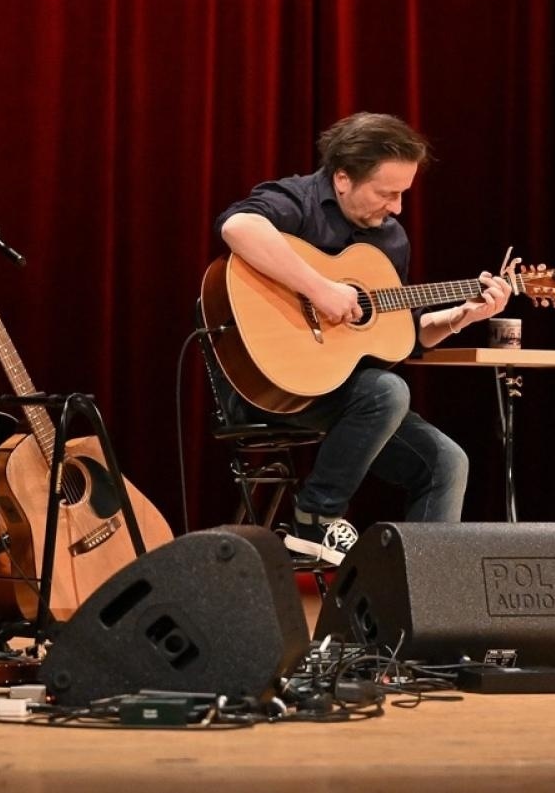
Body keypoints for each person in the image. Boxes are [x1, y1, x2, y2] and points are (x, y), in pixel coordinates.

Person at [213, 112, 512, 565]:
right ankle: (314, 518)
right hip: (271, 387)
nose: (396, 207)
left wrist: (462, 317)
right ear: (343, 178)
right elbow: (238, 228)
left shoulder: (390, 240)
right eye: (387, 193)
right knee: (387, 391)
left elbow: (402, 337)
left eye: (402, 195)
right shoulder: (299, 199)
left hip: (349, 403)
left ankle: (418, 608)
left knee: (447, 463)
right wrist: (320, 288)